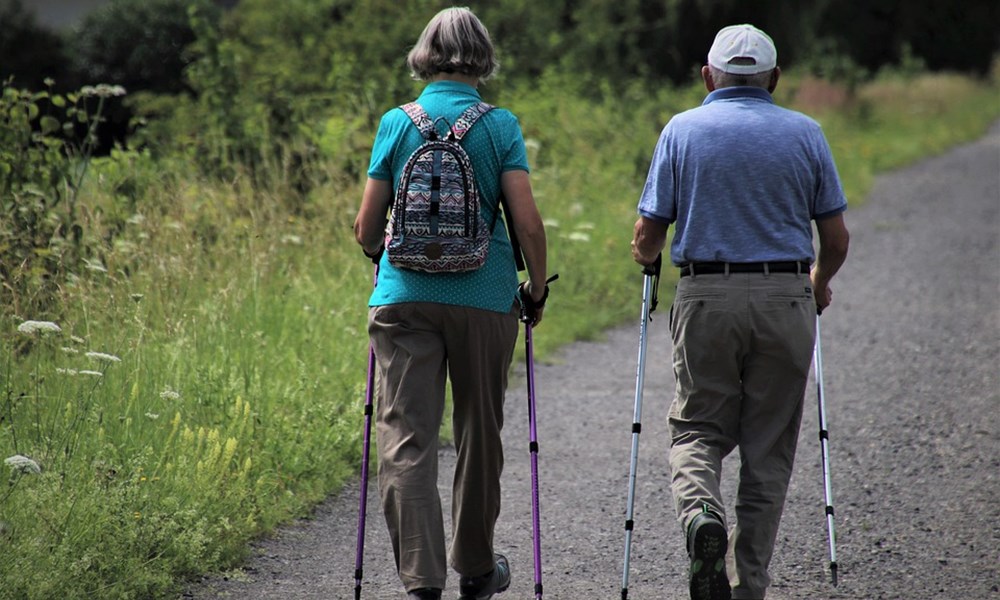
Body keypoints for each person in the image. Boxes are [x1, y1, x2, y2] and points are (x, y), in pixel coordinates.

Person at [630, 24, 850, 600]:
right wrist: (818, 283)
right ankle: (748, 583)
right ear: (775, 79)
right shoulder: (807, 133)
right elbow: (836, 237)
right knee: (768, 447)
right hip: (785, 297)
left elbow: (649, 233)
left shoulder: (682, 130)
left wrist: (645, 256)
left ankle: (702, 511)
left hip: (708, 297)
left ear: (708, 76)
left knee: (697, 428)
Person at [353, 7, 549, 600]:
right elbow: (528, 225)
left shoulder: (396, 121)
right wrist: (534, 290)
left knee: (407, 439)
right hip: (485, 298)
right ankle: (477, 570)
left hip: (405, 298)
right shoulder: (500, 125)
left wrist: (382, 260)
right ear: (482, 56)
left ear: (424, 55)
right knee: (478, 433)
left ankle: (422, 582)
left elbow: (366, 227)